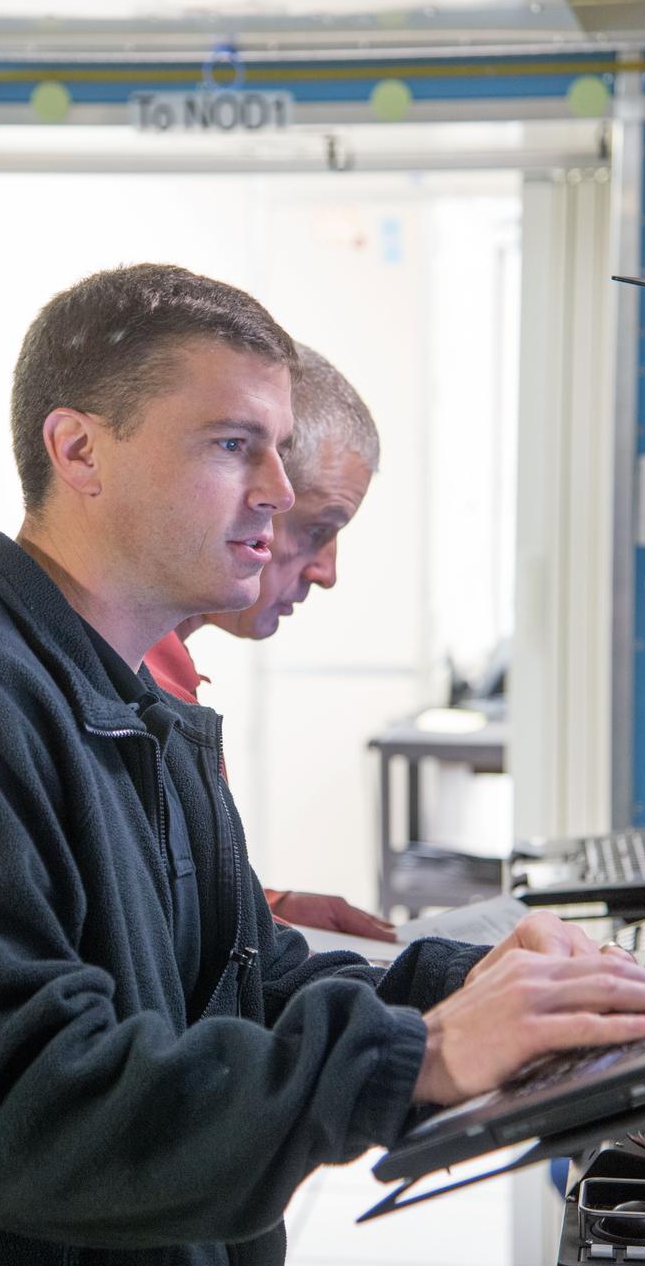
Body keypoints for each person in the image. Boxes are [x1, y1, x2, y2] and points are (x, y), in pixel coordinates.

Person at [0, 263, 645, 1266]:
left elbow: (242, 981)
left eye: (275, 451)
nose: (274, 490)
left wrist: (471, 982)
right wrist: (422, 1056)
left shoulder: (139, 699)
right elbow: (13, 1111)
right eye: (234, 446)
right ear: (79, 447)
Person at [146, 342, 396, 941]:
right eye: (316, 530)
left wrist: (267, 909)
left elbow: (140, 905)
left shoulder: (165, 674)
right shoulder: (118, 685)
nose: (326, 572)